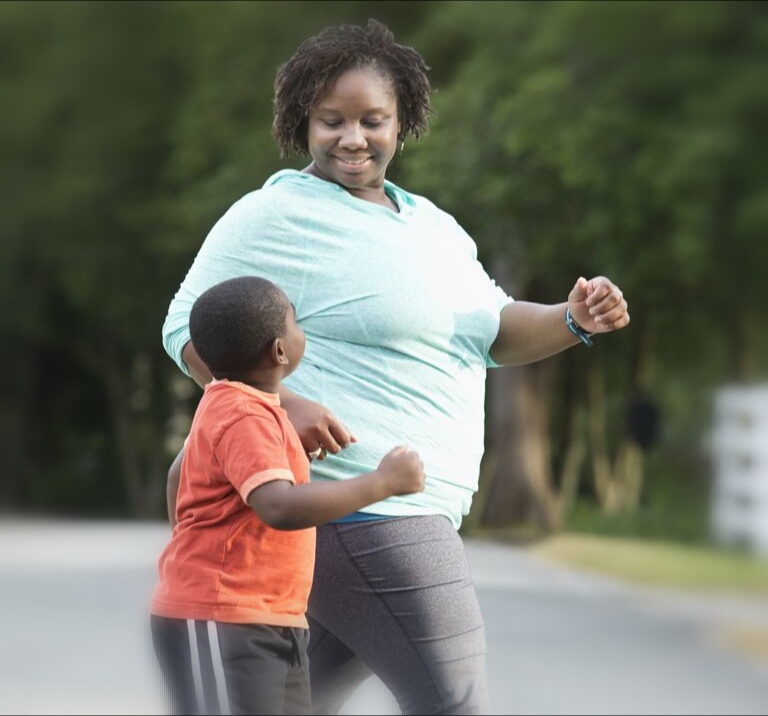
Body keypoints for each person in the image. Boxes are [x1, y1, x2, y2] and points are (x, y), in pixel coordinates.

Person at [161, 18, 630, 715]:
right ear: (302, 124)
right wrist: (280, 407)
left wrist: (571, 318)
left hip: (411, 511)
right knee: (456, 702)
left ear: (402, 121)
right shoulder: (273, 215)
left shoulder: (434, 227)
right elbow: (186, 327)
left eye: (372, 120)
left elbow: (494, 330)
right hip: (370, 512)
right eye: (332, 121)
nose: (353, 138)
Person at [151, 275, 425, 715]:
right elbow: (279, 507)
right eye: (295, 324)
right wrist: (382, 483)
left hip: (267, 619)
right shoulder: (242, 413)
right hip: (222, 619)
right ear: (279, 351)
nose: (302, 333)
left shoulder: (238, 404)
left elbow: (175, 478)